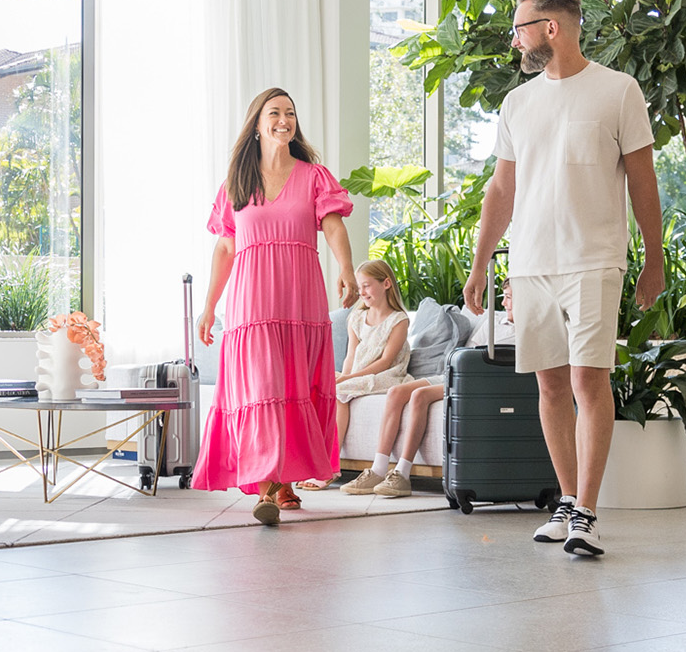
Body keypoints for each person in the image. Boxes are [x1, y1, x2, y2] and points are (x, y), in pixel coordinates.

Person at [463, 0, 663, 557]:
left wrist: (653, 257)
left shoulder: (618, 91)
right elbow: (502, 187)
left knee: (587, 380)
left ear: (552, 27)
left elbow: (643, 182)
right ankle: (568, 504)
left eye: (521, 27)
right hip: (530, 264)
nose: (516, 38)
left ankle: (588, 514)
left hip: (593, 259)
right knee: (550, 384)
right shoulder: (518, 103)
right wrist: (481, 264)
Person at [193, 88, 357, 526]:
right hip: (252, 302)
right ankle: (267, 485)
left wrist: (347, 268)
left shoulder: (314, 176)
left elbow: (333, 226)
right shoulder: (236, 184)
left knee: (293, 387)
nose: (284, 120)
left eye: (290, 113)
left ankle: (284, 478)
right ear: (257, 123)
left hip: (301, 299)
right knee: (261, 388)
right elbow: (225, 249)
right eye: (274, 113)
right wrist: (210, 306)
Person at [341, 283, 515, 499]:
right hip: (457, 374)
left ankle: (402, 474)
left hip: (481, 382)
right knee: (397, 392)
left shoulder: (530, 330)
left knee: (419, 395)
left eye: (509, 298)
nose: (504, 302)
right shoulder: (494, 323)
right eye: (504, 296)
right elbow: (466, 353)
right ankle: (378, 469)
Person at [295, 261, 411, 492]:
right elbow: (351, 355)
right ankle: (309, 460)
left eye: (367, 286)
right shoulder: (357, 318)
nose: (362, 292)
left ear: (386, 283)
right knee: (321, 389)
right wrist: (344, 376)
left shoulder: (399, 320)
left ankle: (330, 465)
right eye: (360, 287)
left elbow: (385, 362)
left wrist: (347, 381)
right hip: (358, 372)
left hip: (387, 375)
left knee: (340, 392)